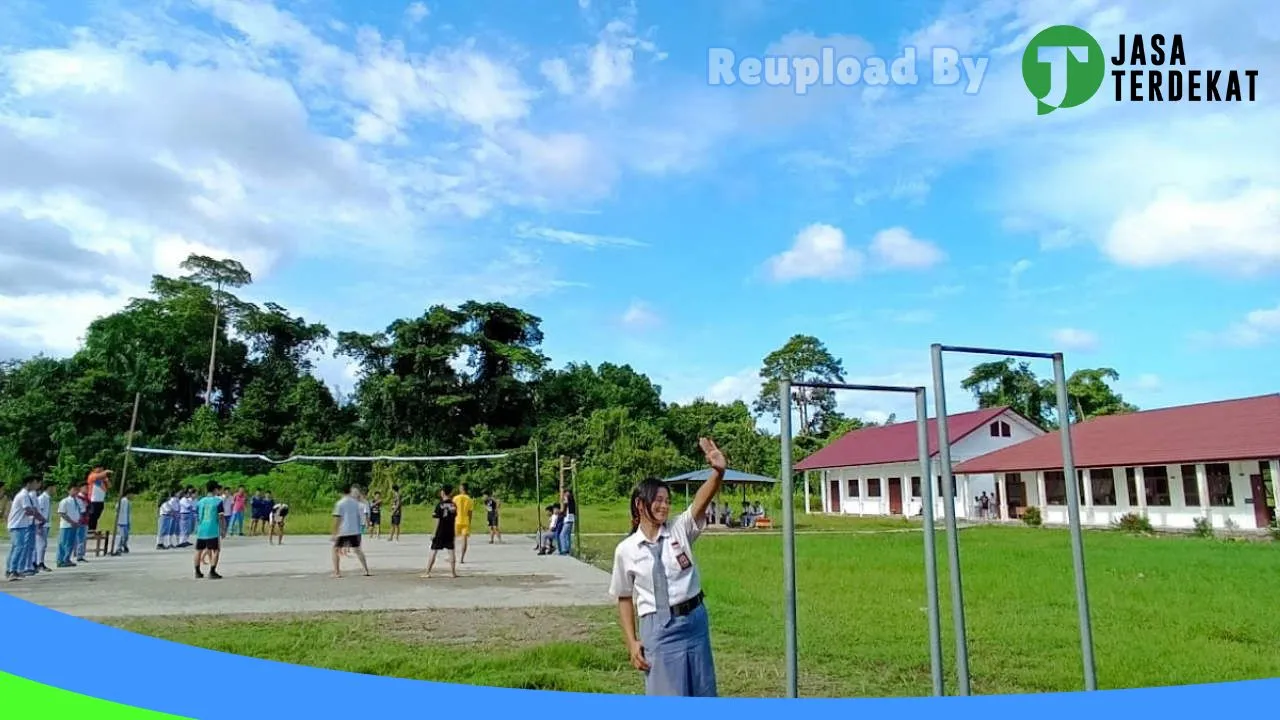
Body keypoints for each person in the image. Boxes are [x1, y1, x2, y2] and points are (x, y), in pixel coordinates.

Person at [609, 437, 726, 697]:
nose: (664, 506)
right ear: (640, 505)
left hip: (694, 621)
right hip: (658, 628)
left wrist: (717, 473)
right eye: (657, 500)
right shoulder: (626, 550)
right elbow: (625, 597)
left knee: (702, 690)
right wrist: (631, 642)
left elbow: (701, 501)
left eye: (667, 500)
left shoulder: (679, 529)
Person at [6, 477, 43, 581]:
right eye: (35, 483)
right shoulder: (23, 495)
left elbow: (29, 510)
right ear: (29, 483)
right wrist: (39, 517)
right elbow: (28, 509)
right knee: (18, 547)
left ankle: (12, 570)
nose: (37, 485)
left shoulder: (26, 494)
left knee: (17, 547)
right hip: (17, 525)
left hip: (21, 524)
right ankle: (12, 570)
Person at [331, 485, 371, 578]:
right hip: (355, 530)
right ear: (349, 491)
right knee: (358, 550)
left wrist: (334, 533)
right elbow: (359, 516)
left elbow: (337, 519)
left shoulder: (340, 503)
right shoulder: (356, 503)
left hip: (343, 530)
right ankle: (366, 570)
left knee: (335, 550)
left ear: (341, 493)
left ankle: (337, 572)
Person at [421, 486, 457, 579]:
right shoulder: (453, 505)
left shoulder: (439, 505)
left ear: (443, 492)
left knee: (433, 551)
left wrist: (434, 533)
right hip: (450, 530)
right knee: (451, 551)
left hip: (440, 531)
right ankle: (453, 573)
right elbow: (454, 518)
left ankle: (427, 572)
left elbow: (437, 520)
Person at [194, 481, 225, 579]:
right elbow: (221, 517)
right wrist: (223, 529)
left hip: (201, 529)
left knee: (198, 550)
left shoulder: (201, 501)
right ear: (215, 489)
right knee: (216, 550)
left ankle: (197, 571)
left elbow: (198, 515)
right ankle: (212, 571)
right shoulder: (218, 501)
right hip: (212, 529)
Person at [55, 484, 82, 568]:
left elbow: (79, 512)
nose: (76, 492)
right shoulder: (65, 501)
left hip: (74, 525)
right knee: (63, 543)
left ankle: (67, 558)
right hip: (66, 525)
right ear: (69, 490)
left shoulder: (77, 501)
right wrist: (71, 521)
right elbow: (62, 513)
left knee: (70, 543)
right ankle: (60, 560)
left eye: (77, 490)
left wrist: (77, 521)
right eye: (74, 490)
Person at [31, 480, 52, 573]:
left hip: (46, 524)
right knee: (40, 545)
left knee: (43, 544)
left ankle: (39, 562)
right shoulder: (42, 498)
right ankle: (39, 563)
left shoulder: (47, 498)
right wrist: (39, 523)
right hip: (41, 524)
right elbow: (39, 511)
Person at [85, 467, 111, 532]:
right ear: (94, 469)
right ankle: (88, 530)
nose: (100, 470)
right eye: (98, 468)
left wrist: (106, 480)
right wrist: (106, 471)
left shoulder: (102, 479)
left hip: (100, 501)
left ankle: (93, 530)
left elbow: (110, 486)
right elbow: (100, 475)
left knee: (96, 517)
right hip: (93, 501)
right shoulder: (92, 476)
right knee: (92, 516)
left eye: (101, 469)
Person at [453, 483, 474, 564]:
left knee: (452, 540)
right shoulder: (469, 499)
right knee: (464, 540)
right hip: (465, 521)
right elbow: (470, 513)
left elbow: (453, 510)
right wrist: (470, 522)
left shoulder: (456, 498)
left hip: (457, 520)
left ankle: (452, 556)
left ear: (461, 488)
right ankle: (461, 559)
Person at [112, 490, 132, 555]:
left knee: (126, 536)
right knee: (122, 536)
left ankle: (124, 545)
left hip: (126, 521)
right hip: (121, 521)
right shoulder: (123, 500)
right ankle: (119, 548)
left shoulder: (128, 501)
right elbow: (117, 508)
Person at [559, 489, 577, 556]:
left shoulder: (569, 499)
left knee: (562, 535)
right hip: (569, 519)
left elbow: (565, 502)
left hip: (568, 520)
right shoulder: (571, 500)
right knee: (567, 535)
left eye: (566, 493)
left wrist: (563, 497)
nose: (565, 495)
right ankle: (568, 549)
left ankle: (564, 549)